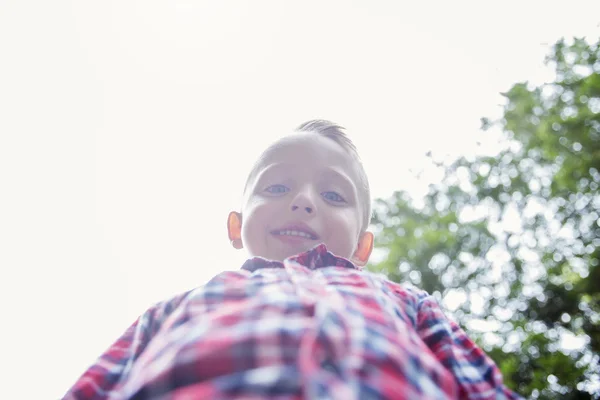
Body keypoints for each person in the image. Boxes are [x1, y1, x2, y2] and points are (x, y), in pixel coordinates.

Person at [64, 120, 522, 399]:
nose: (304, 202)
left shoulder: (410, 303)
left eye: (332, 194)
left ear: (363, 247)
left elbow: (480, 386)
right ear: (236, 225)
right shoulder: (173, 310)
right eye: (277, 187)